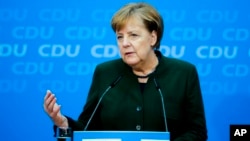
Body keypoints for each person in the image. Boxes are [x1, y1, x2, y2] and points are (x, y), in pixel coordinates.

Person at [43, 2, 208, 141]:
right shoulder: (105, 73)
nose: (125, 43)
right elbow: (86, 131)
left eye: (133, 35)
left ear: (153, 38)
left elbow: (197, 133)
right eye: (119, 37)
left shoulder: (183, 73)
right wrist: (62, 123)